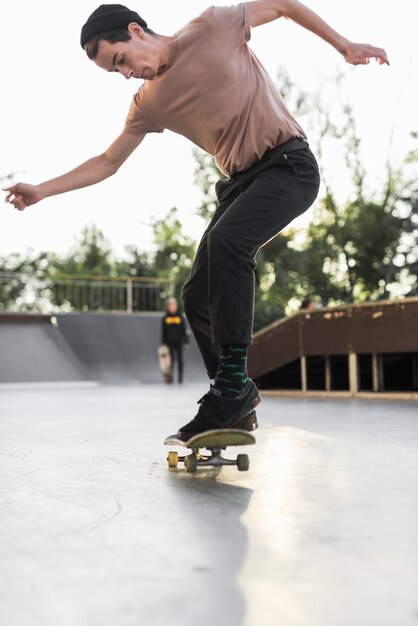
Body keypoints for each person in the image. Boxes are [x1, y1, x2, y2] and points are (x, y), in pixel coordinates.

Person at [4, 1, 388, 441]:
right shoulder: (147, 102)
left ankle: (229, 392)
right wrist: (42, 190)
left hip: (288, 166)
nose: (127, 75)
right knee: (196, 294)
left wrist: (344, 46)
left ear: (136, 31)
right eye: (116, 73)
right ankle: (234, 395)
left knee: (227, 245)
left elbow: (281, 4)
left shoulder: (213, 26)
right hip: (242, 183)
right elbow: (108, 161)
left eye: (121, 60)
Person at [161, 297, 189, 384]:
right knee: (171, 360)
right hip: (169, 342)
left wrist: (187, 341)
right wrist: (163, 343)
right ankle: (170, 377)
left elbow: (184, 329)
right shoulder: (165, 317)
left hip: (179, 341)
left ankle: (180, 377)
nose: (172, 307)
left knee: (180, 359)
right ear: (168, 307)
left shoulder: (180, 316)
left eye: (173, 305)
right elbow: (163, 331)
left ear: (176, 306)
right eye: (170, 306)